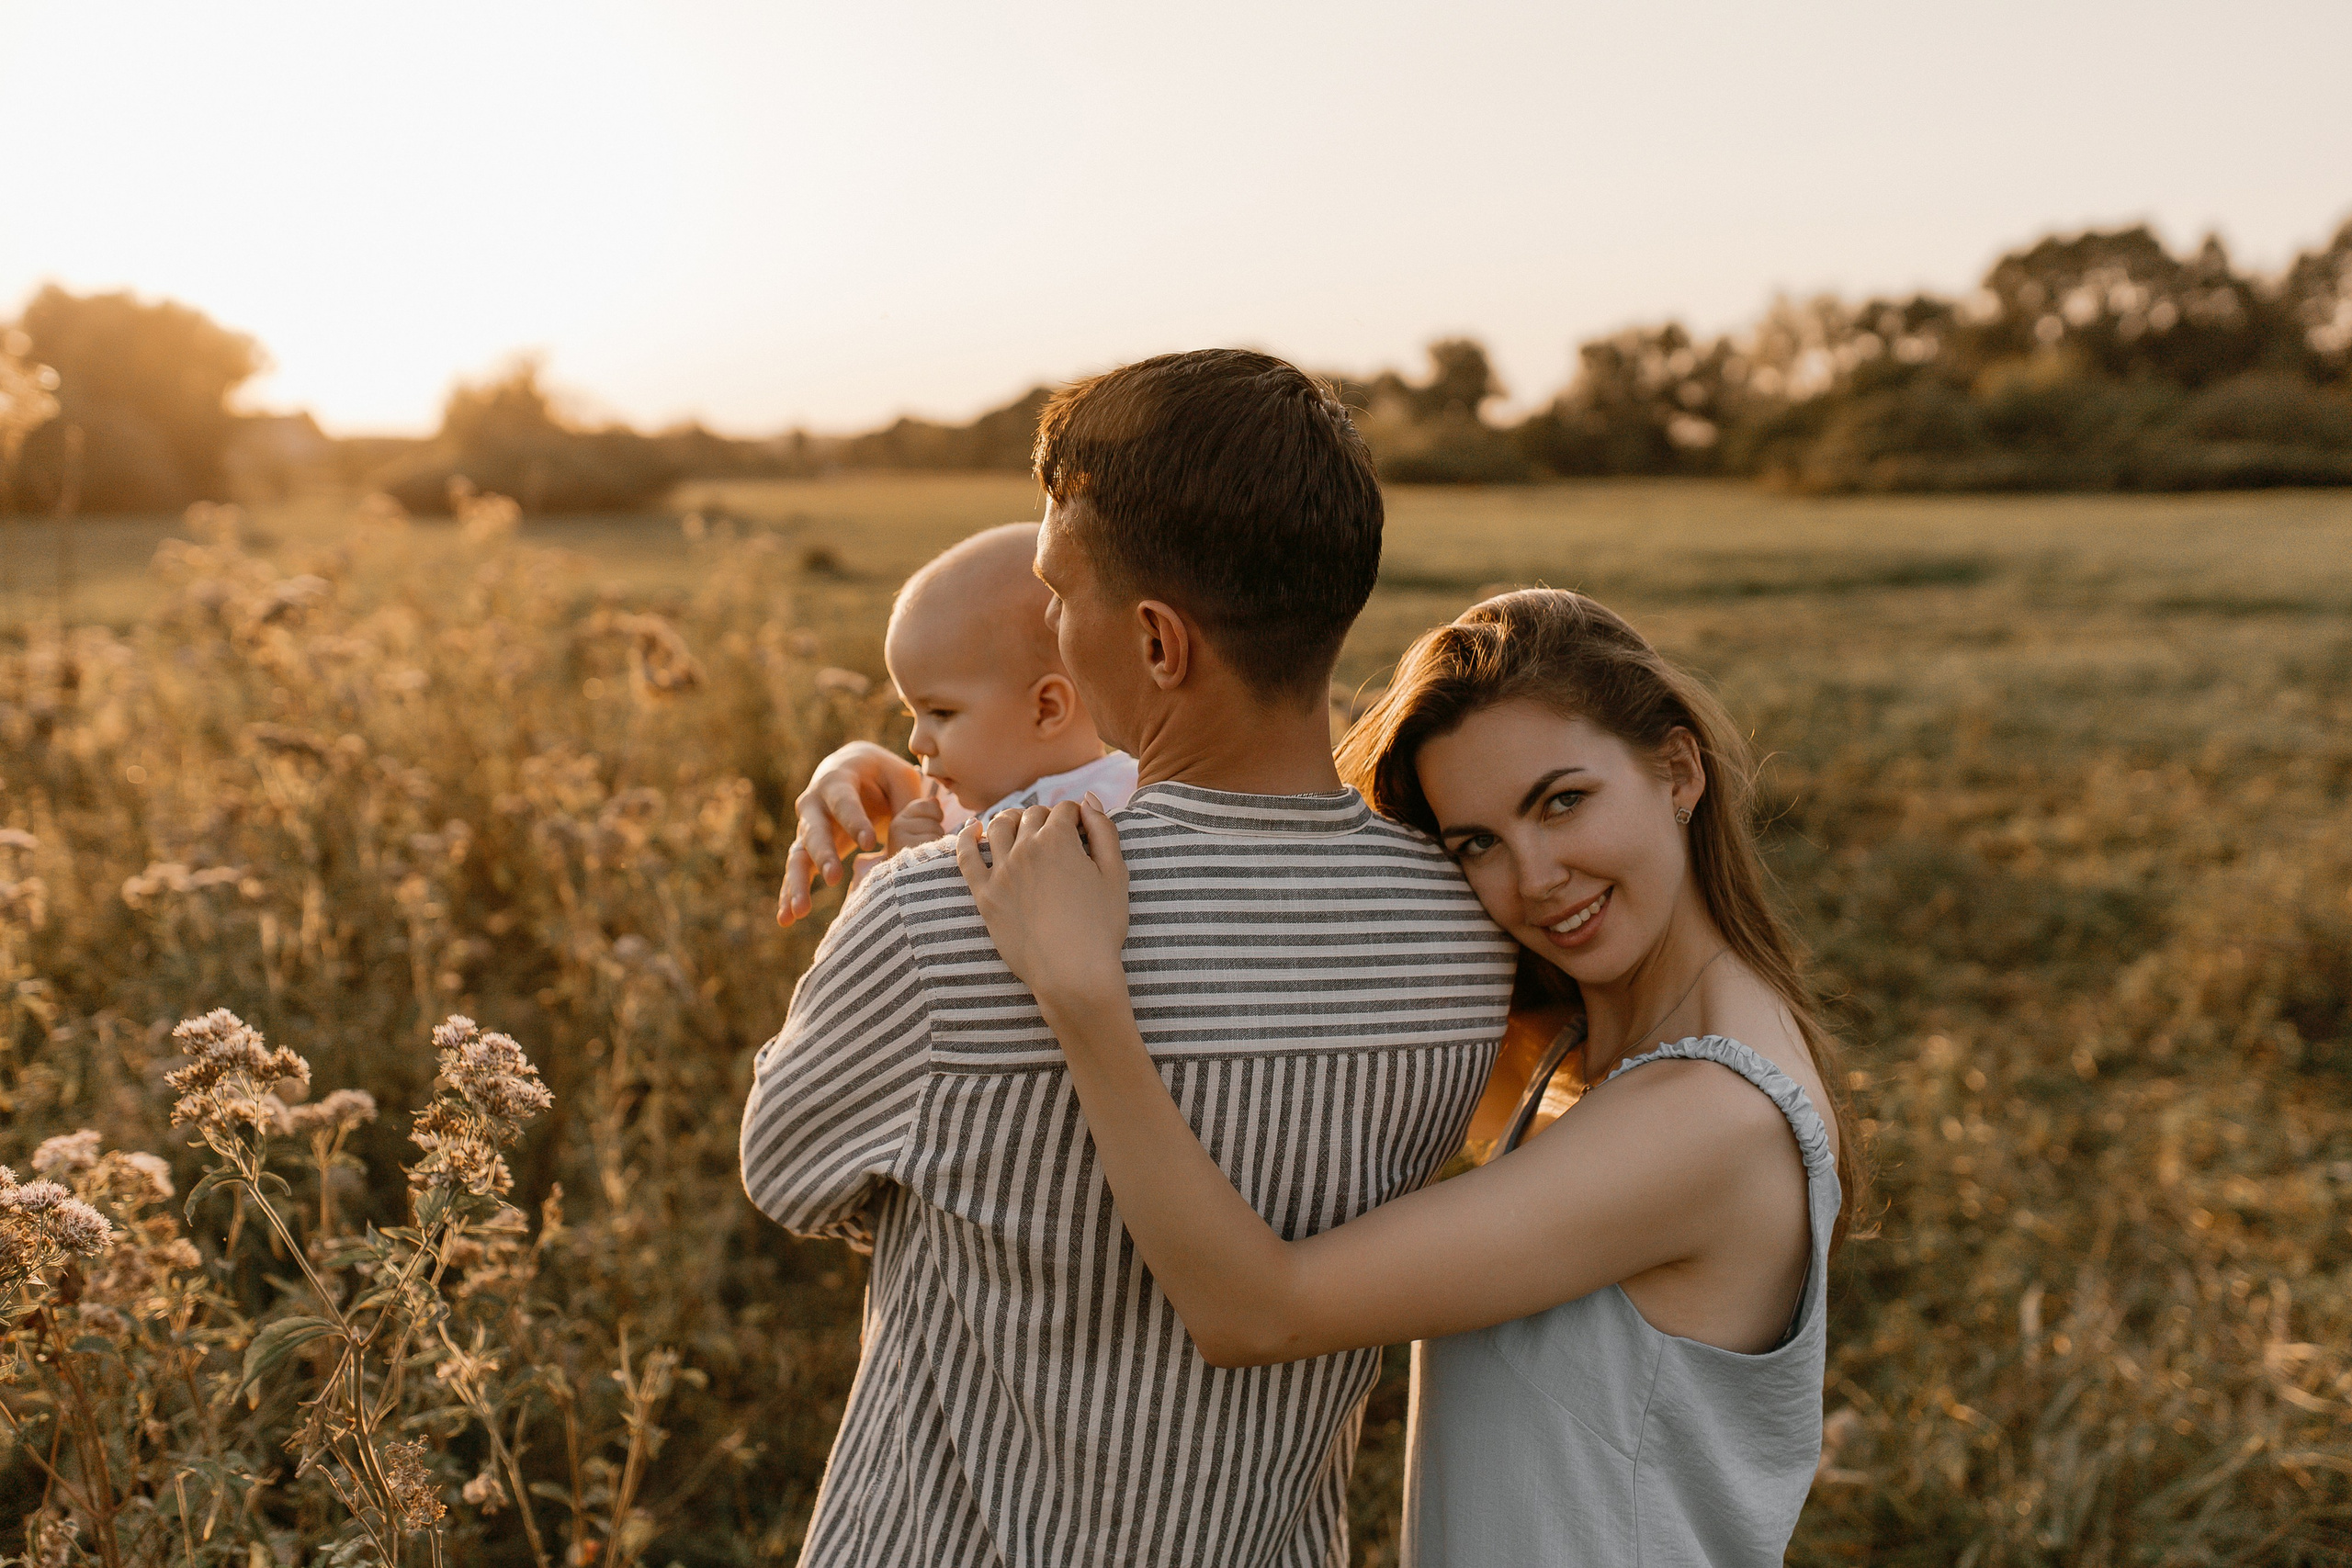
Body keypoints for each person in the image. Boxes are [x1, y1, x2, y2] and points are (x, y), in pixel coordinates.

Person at [739, 349, 1519, 1568]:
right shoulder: (1467, 935)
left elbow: (790, 1177)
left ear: (1157, 642)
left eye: (1058, 593)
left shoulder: (938, 916)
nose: (1048, 624)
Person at [952, 589, 1861, 1567]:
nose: (1534, 878)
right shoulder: (1602, 1044)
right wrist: (954, 795)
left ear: (1678, 769)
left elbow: (1259, 1312)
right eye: (1477, 843)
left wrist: (1082, 991)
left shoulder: (1708, 1119)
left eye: (1562, 801)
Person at [850, 522, 1136, 882]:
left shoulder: (1111, 809)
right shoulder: (941, 808)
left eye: (941, 712)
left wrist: (919, 872)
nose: (916, 743)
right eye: (913, 714)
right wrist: (901, 859)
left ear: (1046, 709)